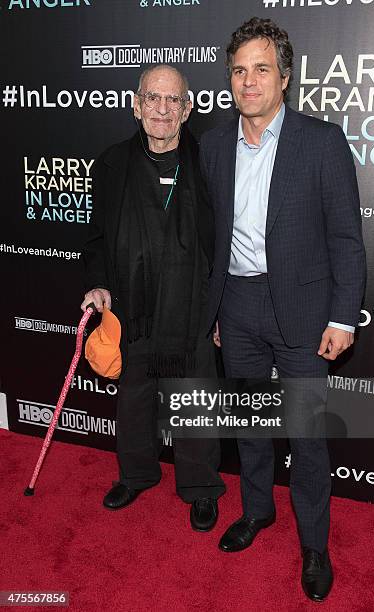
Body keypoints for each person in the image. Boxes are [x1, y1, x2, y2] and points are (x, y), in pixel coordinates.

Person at [200, 18, 366, 602]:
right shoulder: (214, 144)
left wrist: (343, 317)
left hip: (303, 308)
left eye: (261, 69)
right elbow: (209, 235)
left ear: (285, 78)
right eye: (239, 70)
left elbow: (347, 237)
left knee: (306, 435)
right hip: (238, 305)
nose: (248, 81)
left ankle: (315, 545)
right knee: (247, 425)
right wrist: (215, 307)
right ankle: (256, 511)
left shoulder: (321, 141)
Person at [81, 64, 225, 531]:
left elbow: (225, 240)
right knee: (135, 399)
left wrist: (222, 305)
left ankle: (201, 487)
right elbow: (98, 237)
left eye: (173, 101)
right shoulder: (111, 163)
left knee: (195, 399)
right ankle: (137, 474)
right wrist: (99, 282)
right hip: (131, 305)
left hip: (191, 309)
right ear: (136, 104)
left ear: (187, 109)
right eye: (152, 98)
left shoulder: (210, 163)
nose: (162, 110)